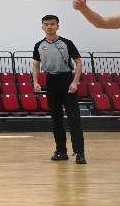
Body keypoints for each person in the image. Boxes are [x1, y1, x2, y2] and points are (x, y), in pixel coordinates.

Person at [32, 15, 85, 164]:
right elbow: (36, 65)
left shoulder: (67, 43)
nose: (49, 26)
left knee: (74, 119)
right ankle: (61, 151)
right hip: (51, 82)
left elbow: (79, 63)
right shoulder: (38, 45)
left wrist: (75, 82)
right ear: (42, 27)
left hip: (67, 81)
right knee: (56, 119)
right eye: (46, 24)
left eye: (52, 24)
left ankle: (80, 153)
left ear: (57, 26)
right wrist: (35, 82)